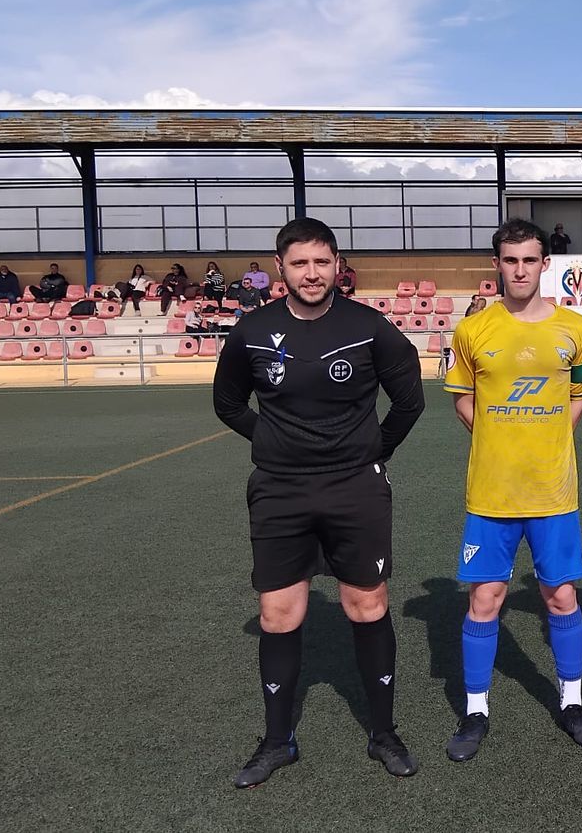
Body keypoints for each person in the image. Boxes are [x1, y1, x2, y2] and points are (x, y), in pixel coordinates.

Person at [212, 217, 425, 788]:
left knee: (367, 608)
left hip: (354, 487)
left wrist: (371, 450)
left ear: (338, 266)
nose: (312, 273)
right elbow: (228, 404)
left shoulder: (369, 327)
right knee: (278, 616)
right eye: (300, 263)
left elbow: (409, 402)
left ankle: (384, 733)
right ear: (279, 268)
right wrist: (274, 443)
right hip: (279, 490)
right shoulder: (251, 331)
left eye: (322, 262)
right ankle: (278, 741)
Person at [443, 219, 582, 762]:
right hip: (491, 494)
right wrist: (497, 436)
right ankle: (475, 710)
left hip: (553, 494)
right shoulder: (473, 331)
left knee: (560, 595)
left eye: (529, 260)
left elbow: (578, 394)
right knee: (484, 599)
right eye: (510, 260)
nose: (519, 270)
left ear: (544, 264)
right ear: (497, 266)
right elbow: (462, 399)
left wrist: (548, 437)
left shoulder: (575, 328)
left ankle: (572, 701)